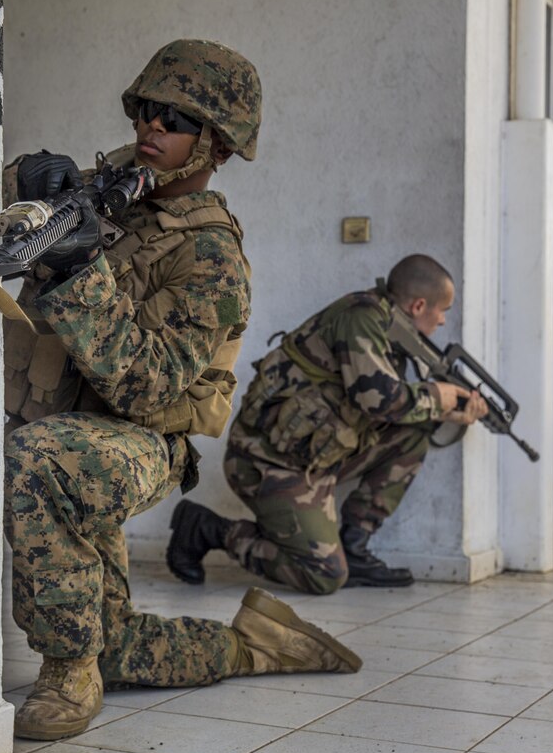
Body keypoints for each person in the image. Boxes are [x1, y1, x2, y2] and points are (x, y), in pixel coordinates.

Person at [2, 39, 361, 743]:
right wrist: (25, 177)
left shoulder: (212, 258)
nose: (151, 127)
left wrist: (80, 273)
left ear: (215, 146)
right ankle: (253, 643)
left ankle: (67, 669)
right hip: (66, 423)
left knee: (39, 460)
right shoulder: (101, 193)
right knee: (119, 644)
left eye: (175, 119)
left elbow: (147, 384)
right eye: (147, 110)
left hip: (141, 440)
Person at [166, 254, 488, 594]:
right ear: (420, 305)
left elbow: (384, 406)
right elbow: (376, 399)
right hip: (267, 462)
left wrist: (444, 411)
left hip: (317, 457)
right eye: (442, 312)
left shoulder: (389, 327)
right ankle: (208, 529)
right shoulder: (362, 317)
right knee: (325, 575)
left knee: (412, 433)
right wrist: (441, 397)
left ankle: (354, 547)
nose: (442, 322)